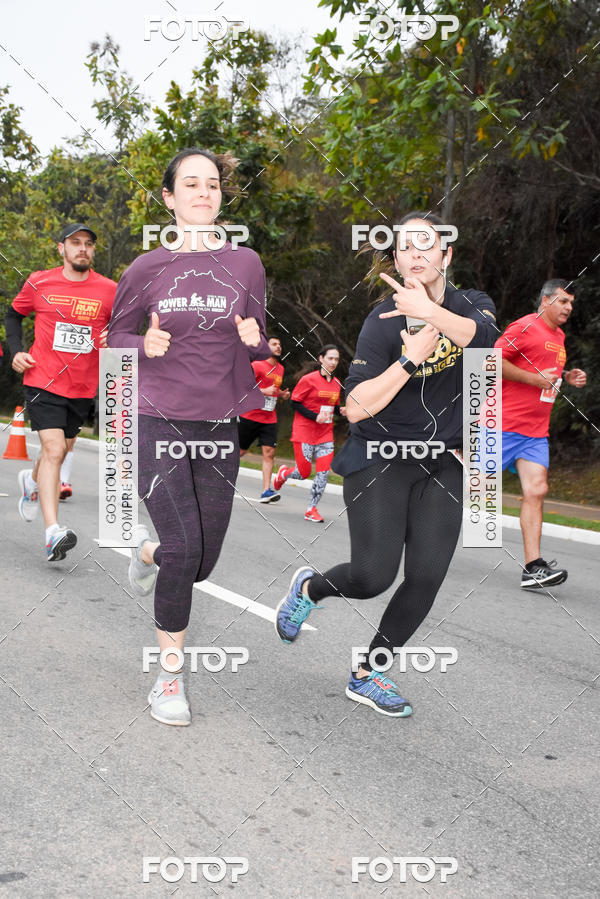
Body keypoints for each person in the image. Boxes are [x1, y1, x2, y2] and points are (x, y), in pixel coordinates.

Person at [275, 212, 498, 716]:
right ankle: (310, 587)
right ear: (394, 259)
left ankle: (369, 671)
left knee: (426, 576)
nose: (415, 253)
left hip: (443, 462)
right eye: (404, 247)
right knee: (373, 576)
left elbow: (483, 345)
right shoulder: (381, 322)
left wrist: (432, 315)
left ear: (447, 254)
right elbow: (355, 407)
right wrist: (409, 358)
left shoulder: (472, 305)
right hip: (380, 456)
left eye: (427, 244)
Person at [107, 147, 272, 727]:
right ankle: (168, 678)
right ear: (170, 199)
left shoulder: (246, 264)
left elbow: (259, 343)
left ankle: (144, 551)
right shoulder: (144, 269)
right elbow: (114, 340)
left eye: (213, 184)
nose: (204, 192)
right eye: (191, 184)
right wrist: (141, 346)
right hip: (157, 418)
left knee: (200, 561)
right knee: (185, 551)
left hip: (219, 422)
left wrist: (256, 340)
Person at [5, 224, 116, 560]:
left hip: (83, 385)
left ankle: (31, 480)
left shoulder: (110, 290)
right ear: (61, 248)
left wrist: (114, 336)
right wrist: (15, 351)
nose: (82, 249)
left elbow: (123, 327)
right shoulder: (40, 282)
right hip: (43, 379)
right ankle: (53, 531)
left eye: (88, 244)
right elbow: (13, 314)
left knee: (63, 448)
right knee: (53, 449)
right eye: (75, 243)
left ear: (93, 251)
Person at [495, 279, 587, 589]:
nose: (569, 308)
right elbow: (491, 362)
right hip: (500, 426)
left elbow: (545, 372)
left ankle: (533, 567)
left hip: (534, 433)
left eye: (571, 303)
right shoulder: (524, 326)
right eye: (563, 302)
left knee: (537, 489)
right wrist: (535, 380)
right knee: (463, 485)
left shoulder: (559, 335)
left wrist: (566, 375)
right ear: (546, 301)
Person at [273, 346, 346, 523]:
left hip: (325, 434)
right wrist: (315, 417)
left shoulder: (336, 383)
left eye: (336, 359)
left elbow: (333, 406)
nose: (334, 362)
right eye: (330, 358)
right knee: (303, 473)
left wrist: (341, 410)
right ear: (321, 359)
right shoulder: (308, 380)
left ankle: (311, 509)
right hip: (304, 431)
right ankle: (284, 473)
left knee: (323, 473)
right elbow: (295, 403)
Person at [238, 335, 290, 502]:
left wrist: (282, 394)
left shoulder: (280, 369)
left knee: (269, 453)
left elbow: (274, 389)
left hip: (269, 418)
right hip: (250, 416)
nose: (278, 347)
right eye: (274, 344)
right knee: (239, 452)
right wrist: (264, 391)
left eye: (280, 344)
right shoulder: (257, 365)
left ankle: (266, 491)